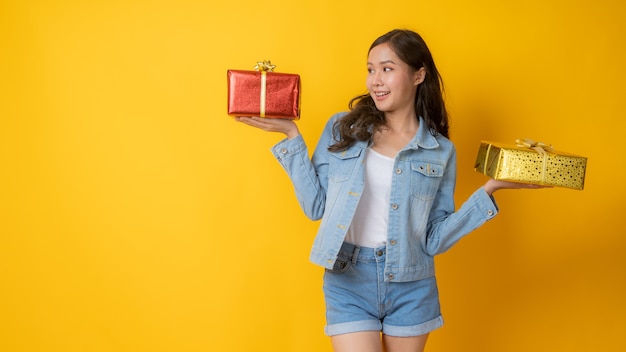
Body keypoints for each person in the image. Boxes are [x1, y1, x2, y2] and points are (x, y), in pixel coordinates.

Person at [236, 29, 545, 352]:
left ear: (418, 75)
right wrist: (291, 137)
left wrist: (488, 192)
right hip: (348, 277)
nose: (375, 81)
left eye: (387, 68)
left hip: (412, 284)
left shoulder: (439, 151)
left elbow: (434, 239)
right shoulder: (344, 129)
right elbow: (316, 206)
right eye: (370, 69)